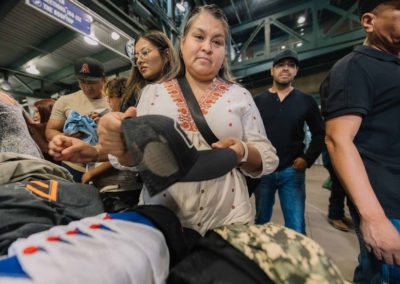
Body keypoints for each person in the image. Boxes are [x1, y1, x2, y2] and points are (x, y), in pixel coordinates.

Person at [96, 4, 278, 235]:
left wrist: (242, 151)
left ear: (224, 52)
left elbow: (267, 155)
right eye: (199, 37)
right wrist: (121, 145)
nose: (207, 48)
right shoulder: (153, 93)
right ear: (182, 43)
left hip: (228, 219)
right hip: (164, 219)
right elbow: (134, 158)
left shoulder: (239, 95)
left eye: (217, 42)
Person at [320, 0, 400, 282]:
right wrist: (374, 219)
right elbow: (338, 140)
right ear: (369, 21)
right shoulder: (354, 68)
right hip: (388, 206)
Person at [253, 49, 324, 234]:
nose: (285, 69)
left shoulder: (306, 101)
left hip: (291, 172)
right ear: (272, 71)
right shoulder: (257, 101)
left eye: (291, 65)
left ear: (296, 71)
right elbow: (249, 133)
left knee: (296, 224)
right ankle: (259, 258)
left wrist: (307, 159)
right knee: (261, 220)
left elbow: (319, 133)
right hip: (264, 170)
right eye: (280, 65)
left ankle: (298, 260)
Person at [45, 57, 109, 182]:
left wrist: (105, 124)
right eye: (82, 82)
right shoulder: (64, 101)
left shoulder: (115, 100)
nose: (86, 87)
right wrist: (65, 138)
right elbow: (50, 131)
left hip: (106, 166)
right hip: (73, 167)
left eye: (92, 83)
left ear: (104, 79)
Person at [321, 147, 352, 232]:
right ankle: (334, 216)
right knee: (338, 186)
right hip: (335, 156)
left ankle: (339, 214)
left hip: (341, 156)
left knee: (342, 187)